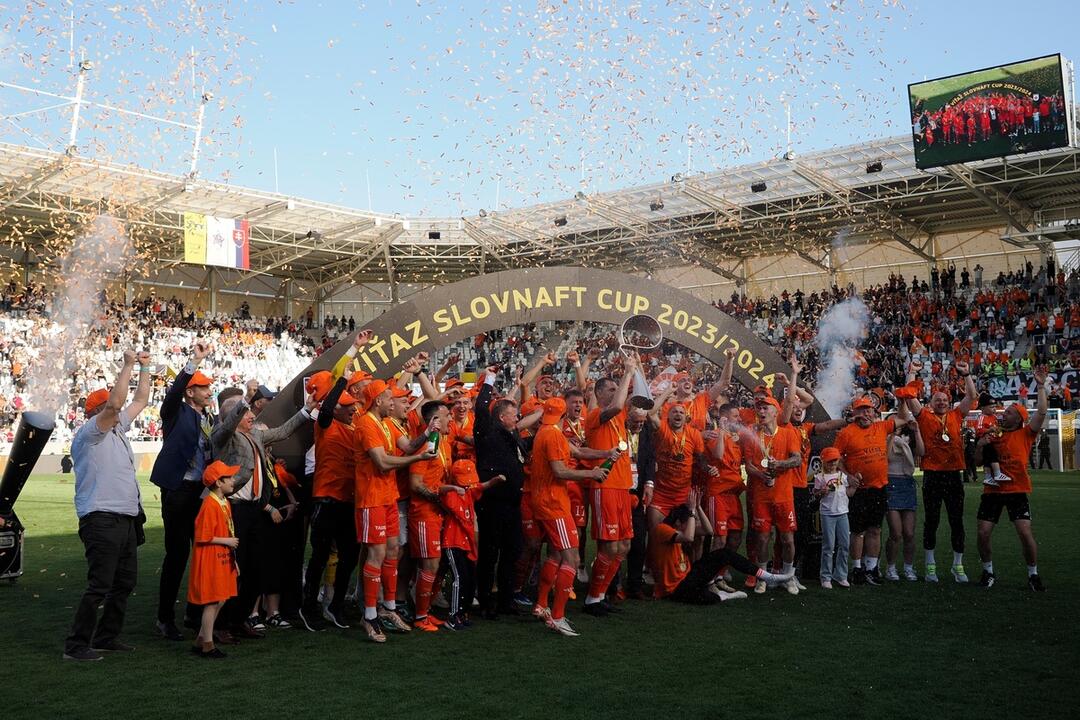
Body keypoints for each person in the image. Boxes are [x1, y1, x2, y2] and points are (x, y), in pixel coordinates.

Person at [63, 349, 151, 661]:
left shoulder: (117, 429)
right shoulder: (89, 433)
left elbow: (140, 400)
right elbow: (118, 404)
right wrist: (127, 364)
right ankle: (76, 645)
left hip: (124, 519)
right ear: (98, 410)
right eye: (110, 404)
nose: (118, 407)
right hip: (101, 518)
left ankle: (105, 637)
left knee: (124, 583)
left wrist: (145, 366)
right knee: (99, 585)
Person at [213, 392, 316, 638]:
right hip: (234, 507)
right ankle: (220, 624)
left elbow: (282, 431)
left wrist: (306, 410)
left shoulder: (256, 434)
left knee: (255, 567)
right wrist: (245, 401)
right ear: (234, 415)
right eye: (246, 412)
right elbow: (226, 427)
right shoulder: (224, 437)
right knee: (233, 567)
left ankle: (240, 619)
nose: (252, 416)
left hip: (254, 509)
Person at [353, 380, 435, 643]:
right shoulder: (366, 423)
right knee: (376, 554)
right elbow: (382, 462)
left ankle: (388, 609)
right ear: (378, 401)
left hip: (388, 497)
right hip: (371, 498)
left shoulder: (386, 423)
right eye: (390, 399)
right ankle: (369, 615)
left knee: (390, 552)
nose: (395, 403)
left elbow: (409, 446)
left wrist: (427, 433)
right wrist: (418, 459)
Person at [151, 340, 215, 641]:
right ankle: (165, 618)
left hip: (199, 492)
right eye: (202, 386)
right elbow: (173, 393)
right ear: (190, 391)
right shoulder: (176, 411)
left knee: (201, 551)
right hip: (178, 489)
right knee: (177, 554)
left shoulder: (207, 418)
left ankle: (192, 611)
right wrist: (193, 363)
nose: (208, 390)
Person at [529, 396, 607, 636]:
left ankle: (541, 604)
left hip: (547, 501)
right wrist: (591, 474)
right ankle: (558, 616)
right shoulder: (553, 435)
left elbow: (579, 450)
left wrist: (610, 452)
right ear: (563, 416)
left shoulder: (547, 430)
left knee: (554, 553)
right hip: (554, 503)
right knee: (571, 558)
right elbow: (560, 470)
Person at [900, 363, 976, 583]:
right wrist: (912, 372)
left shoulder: (956, 415)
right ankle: (930, 564)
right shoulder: (923, 416)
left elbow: (971, 396)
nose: (941, 402)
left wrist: (967, 374)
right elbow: (909, 394)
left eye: (944, 399)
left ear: (949, 402)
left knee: (956, 521)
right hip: (932, 474)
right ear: (931, 403)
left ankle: (957, 565)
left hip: (953, 474)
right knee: (931, 521)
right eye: (937, 400)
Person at [975, 369, 1049, 591]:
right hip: (993, 491)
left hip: (1016, 489)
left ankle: (1033, 574)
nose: (1003, 414)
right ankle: (988, 571)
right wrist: (980, 446)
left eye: (1008, 412)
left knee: (1025, 533)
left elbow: (1042, 413)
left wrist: (1041, 386)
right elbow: (978, 461)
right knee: (983, 532)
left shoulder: (1026, 433)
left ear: (1018, 418)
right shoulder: (994, 432)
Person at [649, 489, 789, 603]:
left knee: (724, 553)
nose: (694, 523)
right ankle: (724, 596)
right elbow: (689, 537)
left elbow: (709, 531)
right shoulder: (663, 529)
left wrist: (697, 507)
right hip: (674, 589)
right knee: (707, 598)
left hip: (688, 577)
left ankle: (766, 576)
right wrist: (692, 511)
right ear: (679, 523)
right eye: (691, 520)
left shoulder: (680, 529)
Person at [833, 396, 914, 585]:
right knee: (858, 531)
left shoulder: (881, 426)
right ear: (854, 413)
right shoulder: (846, 433)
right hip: (859, 489)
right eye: (860, 410)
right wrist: (848, 475)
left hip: (879, 487)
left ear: (874, 412)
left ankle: (871, 568)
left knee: (875, 529)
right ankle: (857, 568)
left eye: (868, 410)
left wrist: (902, 399)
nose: (865, 414)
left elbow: (903, 418)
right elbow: (835, 457)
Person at [300, 376, 359, 631]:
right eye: (348, 407)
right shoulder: (325, 425)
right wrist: (343, 380)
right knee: (321, 555)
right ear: (336, 408)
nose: (353, 410)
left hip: (347, 500)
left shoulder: (353, 429)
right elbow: (325, 410)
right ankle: (308, 607)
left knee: (350, 555)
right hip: (326, 498)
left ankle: (335, 605)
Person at [473, 365, 529, 619]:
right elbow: (481, 408)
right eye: (513, 414)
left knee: (512, 550)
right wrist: (490, 378)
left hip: (512, 502)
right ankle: (485, 601)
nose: (517, 418)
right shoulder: (487, 431)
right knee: (489, 553)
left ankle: (506, 600)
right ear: (501, 417)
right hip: (492, 503)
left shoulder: (512, 435)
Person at [738, 395, 802, 595]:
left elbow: (797, 459)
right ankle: (763, 578)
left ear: (776, 411)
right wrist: (762, 473)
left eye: (766, 408)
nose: (761, 412)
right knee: (763, 539)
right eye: (759, 408)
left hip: (784, 496)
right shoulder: (752, 435)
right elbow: (748, 466)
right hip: (761, 497)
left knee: (788, 540)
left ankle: (788, 576)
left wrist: (779, 465)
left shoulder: (788, 433)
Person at [440, 459, 505, 629]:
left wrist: (493, 482)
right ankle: (453, 616)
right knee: (460, 578)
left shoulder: (468, 491)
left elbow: (479, 487)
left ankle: (462, 614)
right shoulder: (452, 495)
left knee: (469, 579)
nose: (471, 484)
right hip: (453, 543)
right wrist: (453, 488)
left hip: (464, 543)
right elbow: (440, 491)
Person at [188, 461, 241, 659]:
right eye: (229, 477)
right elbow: (203, 535)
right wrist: (227, 541)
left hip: (222, 558)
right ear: (218, 483)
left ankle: (202, 639)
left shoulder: (224, 502)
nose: (233, 480)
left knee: (221, 599)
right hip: (211, 559)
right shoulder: (209, 504)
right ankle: (208, 645)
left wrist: (232, 557)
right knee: (212, 601)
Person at [813, 447, 857, 589]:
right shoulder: (820, 477)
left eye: (835, 461)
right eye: (829, 461)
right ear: (823, 462)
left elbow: (849, 493)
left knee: (844, 545)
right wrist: (821, 492)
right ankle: (825, 576)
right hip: (827, 514)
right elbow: (816, 494)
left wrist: (855, 486)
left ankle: (841, 575)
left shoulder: (842, 477)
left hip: (843, 513)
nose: (832, 464)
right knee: (829, 546)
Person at [885, 421, 923, 581]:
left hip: (907, 483)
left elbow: (921, 452)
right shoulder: (889, 437)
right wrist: (893, 435)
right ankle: (891, 567)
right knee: (896, 532)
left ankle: (908, 567)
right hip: (891, 481)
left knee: (909, 532)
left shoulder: (910, 437)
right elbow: (885, 456)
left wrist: (917, 431)